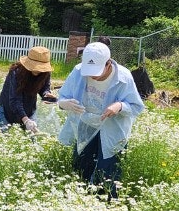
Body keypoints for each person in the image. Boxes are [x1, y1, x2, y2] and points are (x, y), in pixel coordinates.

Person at [56, 42, 145, 198]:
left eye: (96, 72)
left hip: (112, 128)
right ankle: (79, 201)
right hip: (86, 125)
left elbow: (136, 107)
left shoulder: (123, 77)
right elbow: (62, 98)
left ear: (108, 63)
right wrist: (64, 104)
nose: (92, 76)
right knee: (81, 166)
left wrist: (119, 106)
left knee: (108, 172)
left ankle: (107, 206)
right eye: (89, 71)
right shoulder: (78, 71)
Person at [0, 45, 56, 133]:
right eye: (35, 67)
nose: (38, 70)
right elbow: (15, 100)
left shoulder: (45, 73)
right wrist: (26, 120)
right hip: (7, 109)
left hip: (29, 108)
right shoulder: (16, 72)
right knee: (2, 138)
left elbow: (45, 87)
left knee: (33, 139)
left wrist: (46, 93)